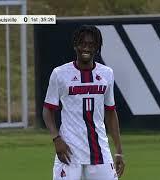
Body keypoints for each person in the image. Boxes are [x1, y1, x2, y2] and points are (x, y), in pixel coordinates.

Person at [42, 25, 125, 180]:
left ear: (97, 48)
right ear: (75, 45)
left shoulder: (107, 74)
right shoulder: (60, 74)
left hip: (100, 151)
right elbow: (47, 110)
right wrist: (56, 139)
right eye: (82, 44)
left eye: (91, 44)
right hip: (69, 152)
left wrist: (119, 150)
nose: (86, 48)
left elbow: (110, 112)